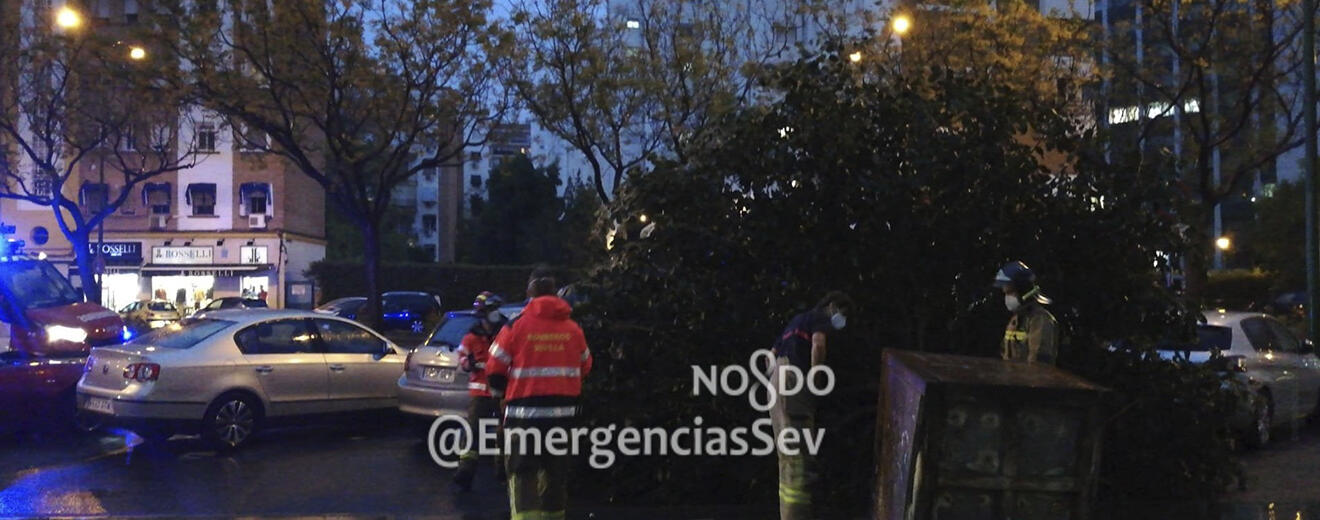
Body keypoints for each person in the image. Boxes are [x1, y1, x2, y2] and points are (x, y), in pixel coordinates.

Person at [486, 268, 591, 520]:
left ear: (530, 291)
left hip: (524, 417)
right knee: (555, 475)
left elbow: (494, 368)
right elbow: (585, 365)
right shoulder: (573, 329)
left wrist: (499, 397)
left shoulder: (516, 327)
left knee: (523, 475)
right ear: (555, 292)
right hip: (563, 418)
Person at [769, 291, 852, 520]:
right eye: (842, 312)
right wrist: (815, 380)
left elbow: (770, 355)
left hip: (776, 381)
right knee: (800, 453)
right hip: (794, 378)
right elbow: (818, 345)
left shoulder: (796, 320)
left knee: (787, 455)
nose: (841, 319)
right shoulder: (820, 317)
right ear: (832, 305)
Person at [452, 291, 508, 491]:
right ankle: (465, 471)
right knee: (472, 431)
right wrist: (469, 364)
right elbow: (461, 360)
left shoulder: (506, 332)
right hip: (481, 394)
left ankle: (503, 472)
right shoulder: (471, 336)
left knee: (504, 433)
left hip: (503, 391)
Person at [994, 261, 1058, 365]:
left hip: (1027, 380)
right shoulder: (1016, 319)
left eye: (1010, 292)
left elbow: (1038, 365)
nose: (1007, 297)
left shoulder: (1040, 320)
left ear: (1023, 291)